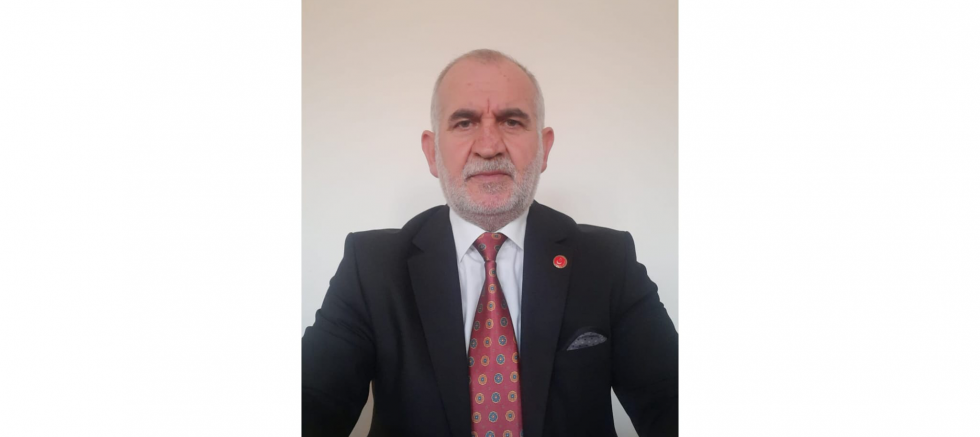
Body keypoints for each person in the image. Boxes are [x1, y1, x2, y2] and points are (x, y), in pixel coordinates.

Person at [302, 49, 678, 437]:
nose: (488, 146)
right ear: (432, 151)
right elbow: (311, 399)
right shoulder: (370, 268)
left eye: (512, 121)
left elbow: (673, 399)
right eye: (464, 123)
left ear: (544, 148)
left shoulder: (608, 262)